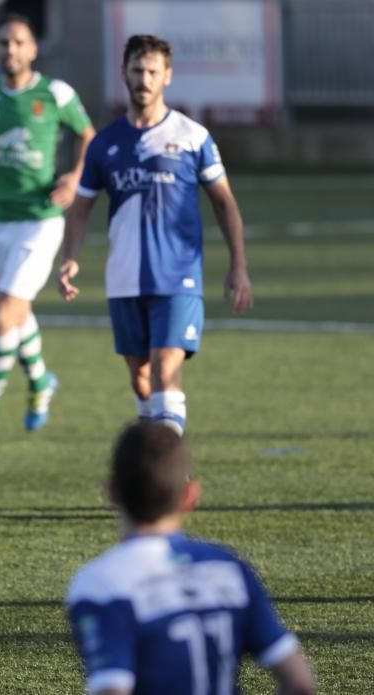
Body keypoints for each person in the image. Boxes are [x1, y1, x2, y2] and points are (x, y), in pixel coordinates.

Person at [57, 35, 254, 436]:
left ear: (167, 76)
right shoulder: (105, 144)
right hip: (125, 278)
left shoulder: (193, 137)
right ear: (124, 74)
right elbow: (81, 208)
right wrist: (71, 257)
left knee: (167, 368)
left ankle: (172, 472)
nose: (144, 79)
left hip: (178, 276)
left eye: (152, 71)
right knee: (141, 380)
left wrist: (239, 267)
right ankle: (155, 465)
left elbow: (225, 203)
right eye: (137, 70)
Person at [66, 421, 316, 695]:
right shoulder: (228, 568)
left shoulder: (102, 584)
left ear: (112, 491)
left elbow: (113, 690)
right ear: (190, 495)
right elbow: (300, 683)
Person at [0, 13, 94, 432]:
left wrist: (75, 177)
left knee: (2, 313)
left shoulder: (56, 93)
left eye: (18, 42)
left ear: (34, 49)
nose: (10, 49)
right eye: (3, 42)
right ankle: (40, 381)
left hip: (40, 218)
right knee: (18, 311)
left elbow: (89, 135)